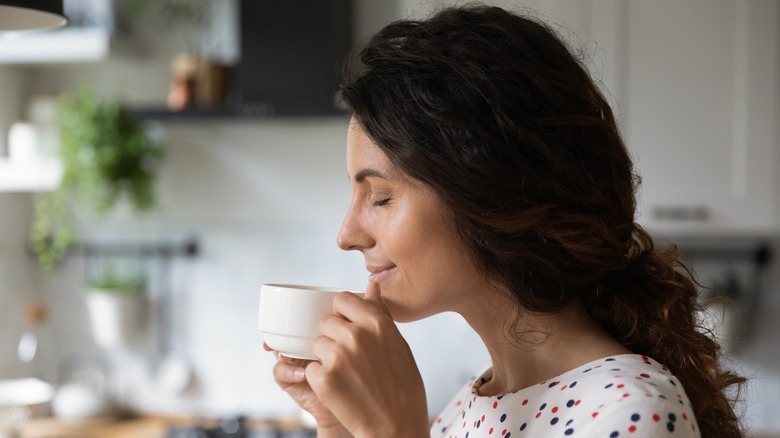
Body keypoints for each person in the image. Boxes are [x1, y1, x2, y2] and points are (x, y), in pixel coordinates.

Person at [265, 4, 746, 437]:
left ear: (488, 192)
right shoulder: (473, 406)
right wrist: (340, 427)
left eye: (381, 197)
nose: (346, 236)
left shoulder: (632, 413)